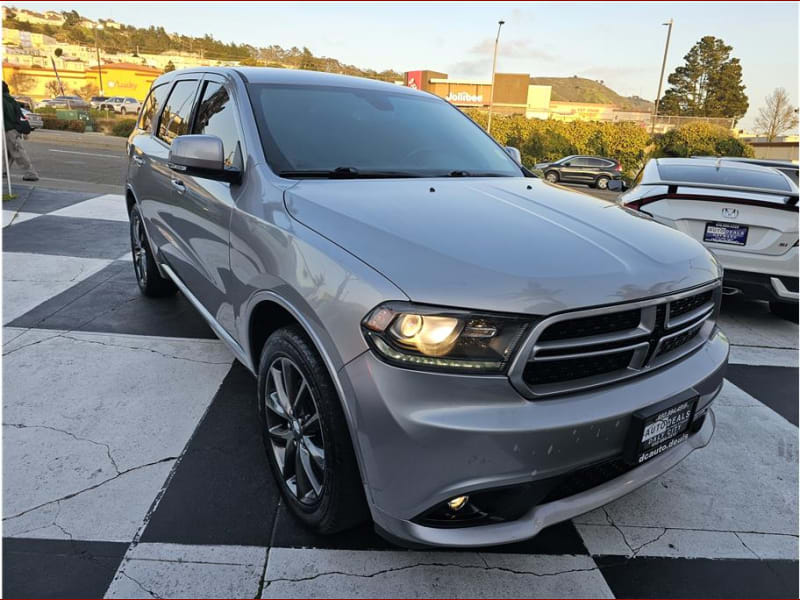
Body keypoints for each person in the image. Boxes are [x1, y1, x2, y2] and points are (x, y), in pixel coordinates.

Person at [3, 81, 39, 181]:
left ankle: (31, 173)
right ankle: (3, 170)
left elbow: (8, 117)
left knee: (17, 152)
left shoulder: (3, 101)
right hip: (14, 129)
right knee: (8, 152)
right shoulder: (10, 100)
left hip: (9, 129)